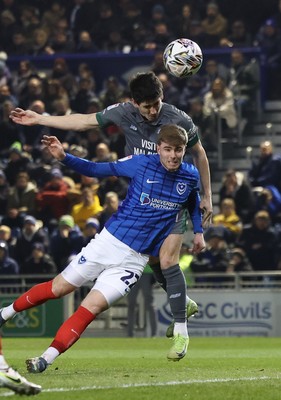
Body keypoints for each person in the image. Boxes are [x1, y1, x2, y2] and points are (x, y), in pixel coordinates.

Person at [9, 71, 213, 330]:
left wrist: (207, 195)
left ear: (163, 97)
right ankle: (183, 302)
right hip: (142, 193)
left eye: (157, 104)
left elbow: (199, 153)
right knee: (151, 256)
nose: (152, 112)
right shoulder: (122, 112)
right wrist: (40, 118)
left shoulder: (178, 118)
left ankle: (181, 320)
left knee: (167, 259)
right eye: (147, 107)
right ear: (134, 103)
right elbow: (83, 121)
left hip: (173, 195)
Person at [0, 125, 205, 370]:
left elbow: (192, 201)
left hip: (134, 261)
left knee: (91, 307)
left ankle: (45, 359)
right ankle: (5, 313)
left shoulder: (190, 175)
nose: (173, 155)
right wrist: (65, 157)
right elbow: (98, 169)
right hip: (108, 244)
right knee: (59, 288)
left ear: (184, 151)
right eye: (168, 149)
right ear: (158, 148)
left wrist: (198, 231)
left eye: (179, 150)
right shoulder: (140, 163)